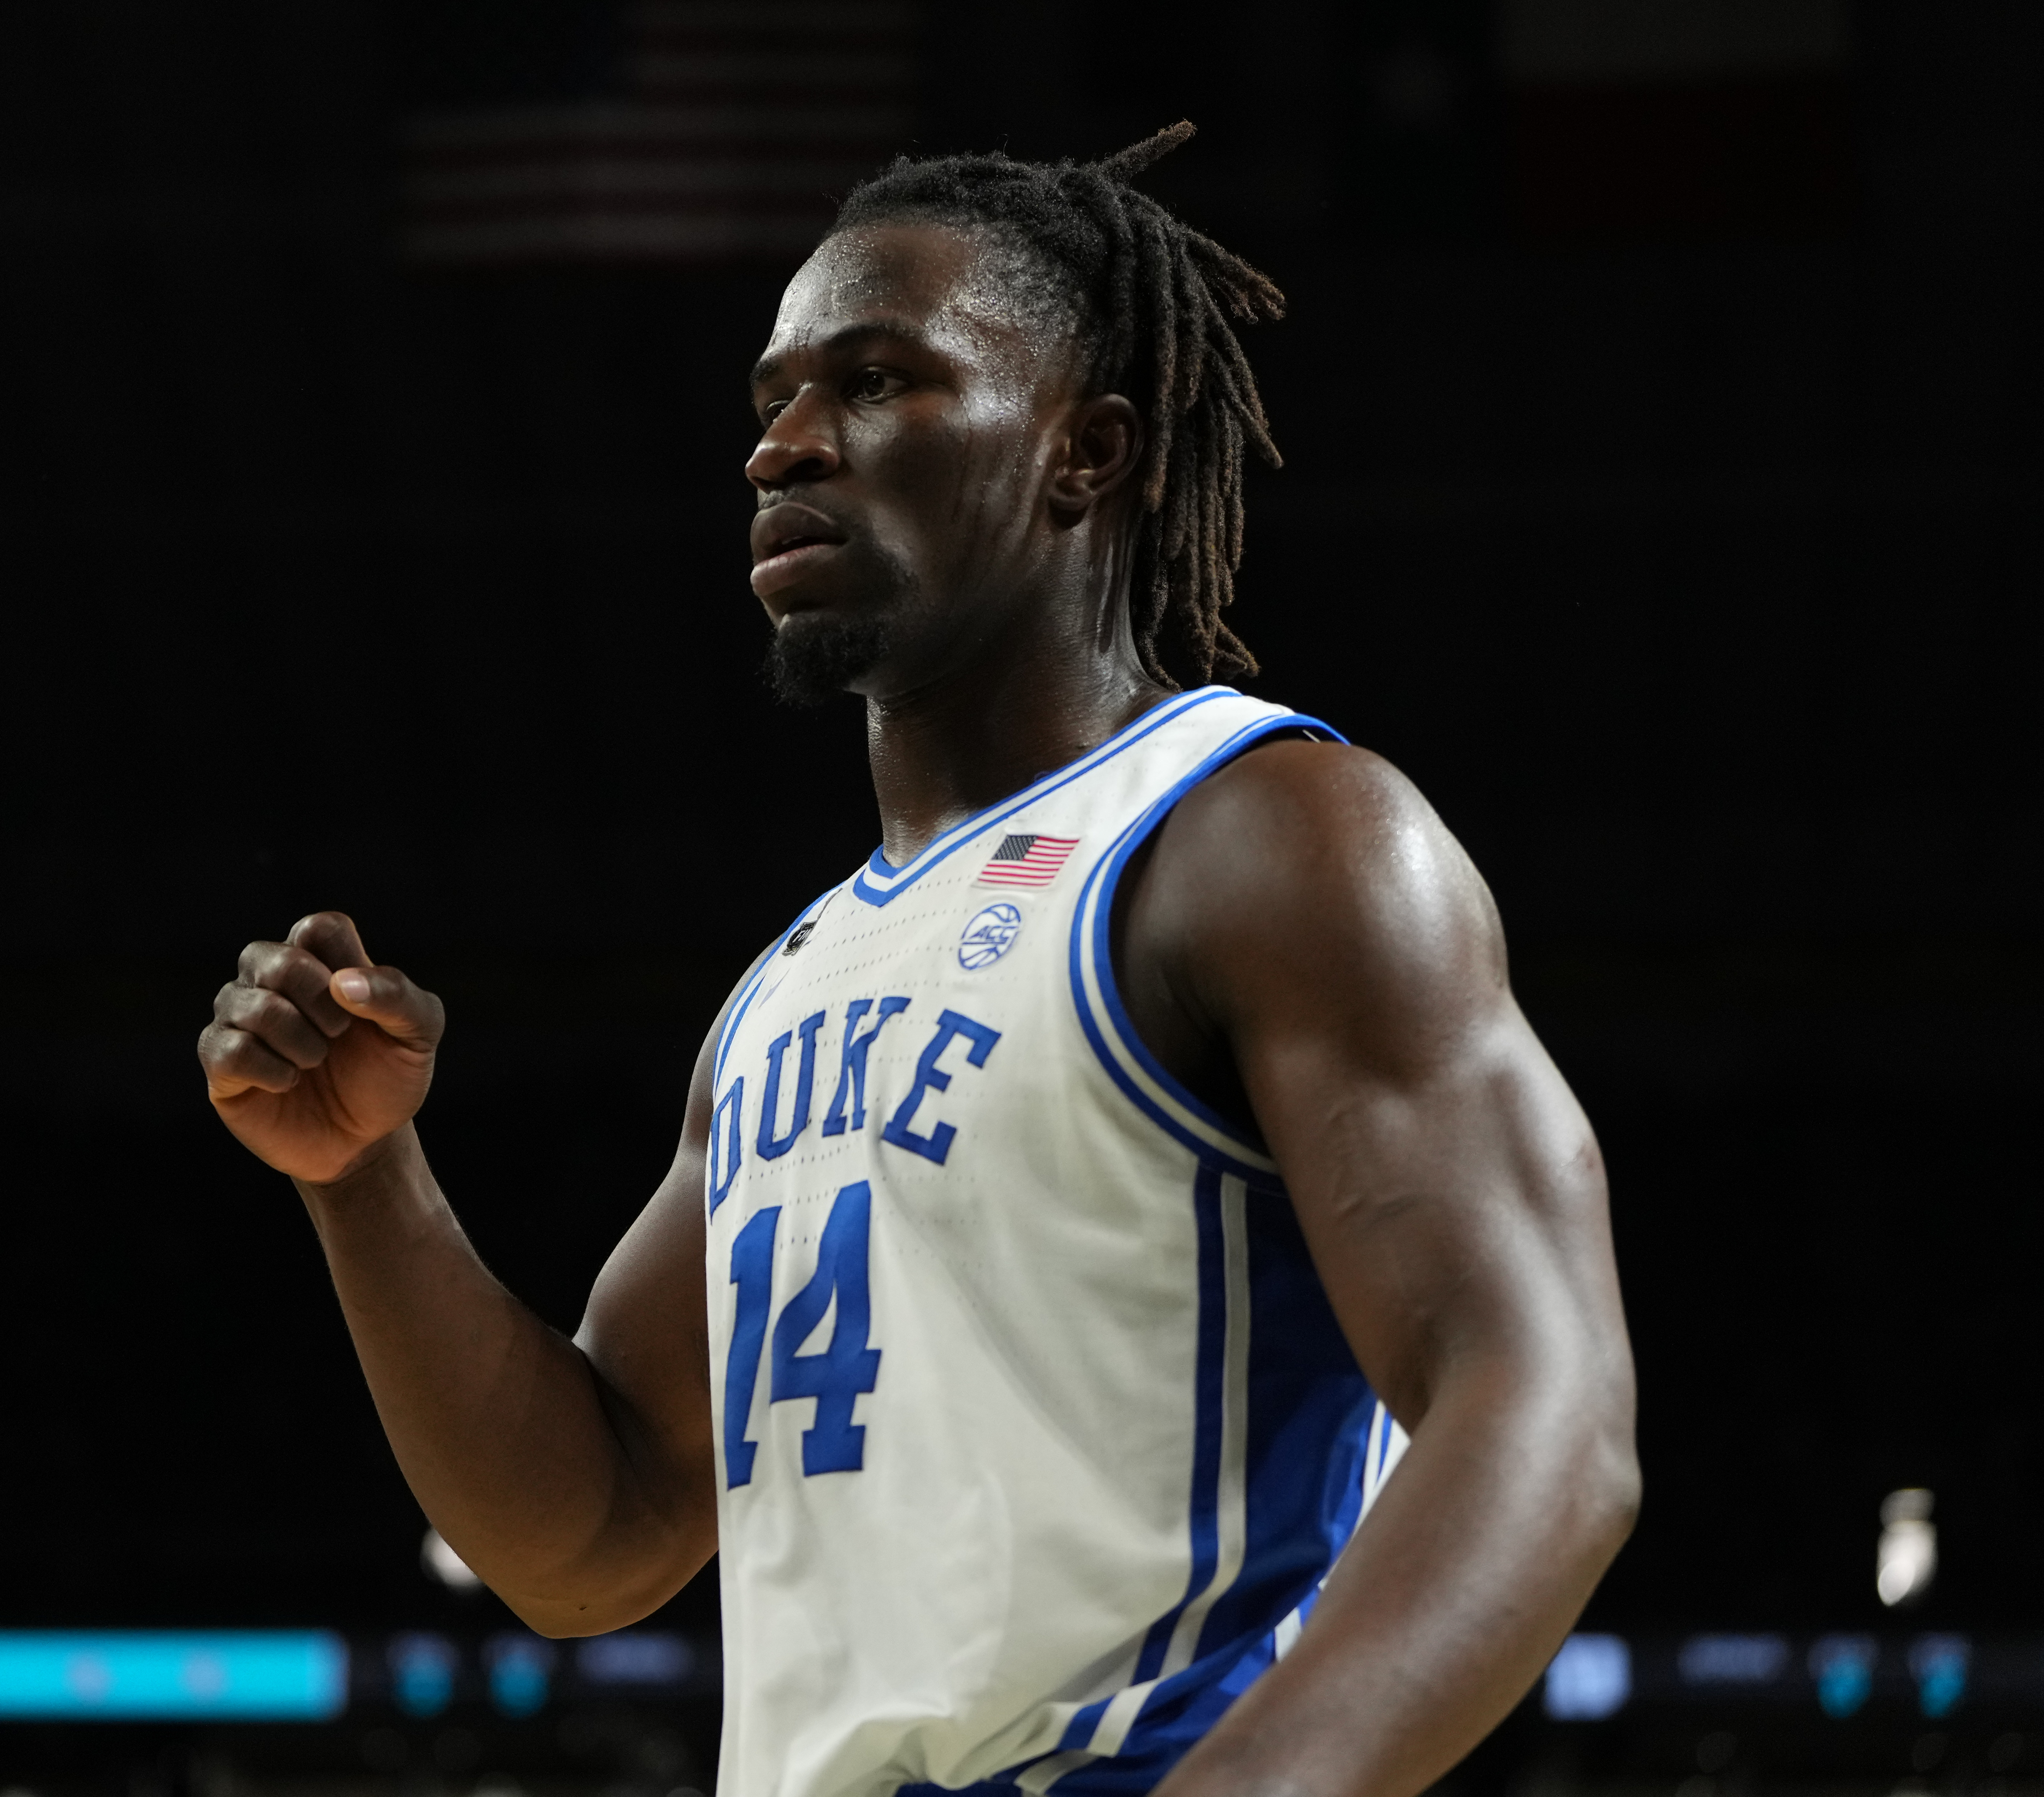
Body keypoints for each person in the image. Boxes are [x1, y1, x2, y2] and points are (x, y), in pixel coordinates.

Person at [197, 125, 1637, 1797]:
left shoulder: (1266, 833)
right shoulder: (785, 991)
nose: (784, 450)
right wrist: (365, 1177)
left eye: (877, 383)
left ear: (1084, 453)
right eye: (770, 403)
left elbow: (1543, 1415)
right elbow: (593, 1539)